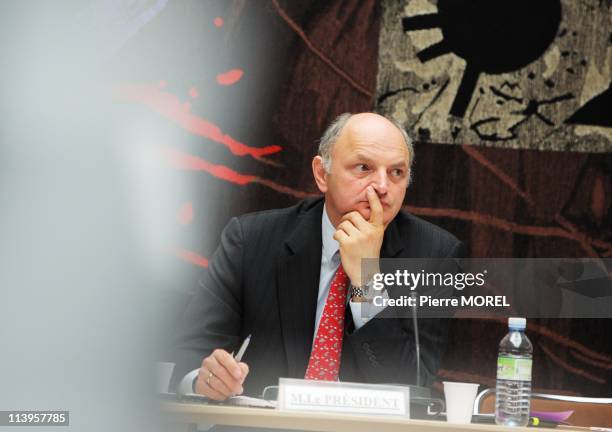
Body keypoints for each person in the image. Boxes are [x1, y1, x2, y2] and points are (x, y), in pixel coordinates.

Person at [171, 112, 464, 400]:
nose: (383, 187)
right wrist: (205, 379)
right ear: (322, 174)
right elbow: (189, 357)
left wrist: (367, 279)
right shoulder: (251, 240)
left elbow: (412, 386)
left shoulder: (434, 255)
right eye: (364, 167)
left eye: (396, 172)